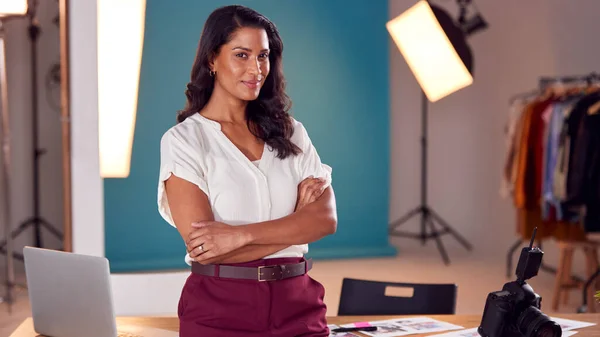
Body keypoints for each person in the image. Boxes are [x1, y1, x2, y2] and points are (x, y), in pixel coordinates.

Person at [157, 5, 337, 337]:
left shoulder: (291, 132)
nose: (256, 69)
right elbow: (204, 248)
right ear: (212, 59)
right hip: (219, 308)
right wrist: (295, 223)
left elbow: (325, 220)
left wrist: (239, 236)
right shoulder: (183, 141)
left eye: (263, 56)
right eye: (242, 55)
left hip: (298, 304)